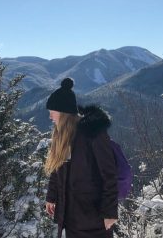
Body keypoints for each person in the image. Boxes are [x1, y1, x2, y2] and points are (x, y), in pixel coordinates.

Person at [44, 77, 119, 238]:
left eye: (52, 112)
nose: (50, 117)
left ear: (63, 112)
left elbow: (109, 174)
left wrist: (110, 212)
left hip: (94, 218)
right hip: (71, 218)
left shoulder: (93, 133)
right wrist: (51, 196)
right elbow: (57, 169)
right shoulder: (62, 136)